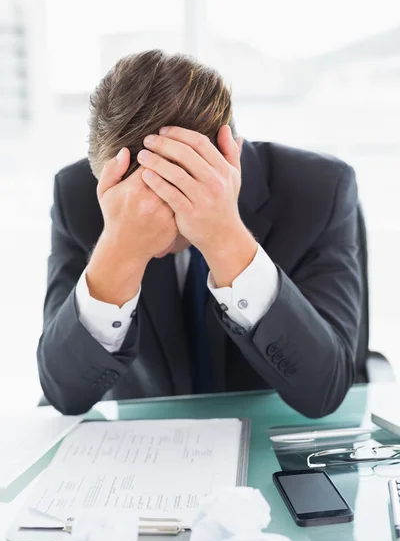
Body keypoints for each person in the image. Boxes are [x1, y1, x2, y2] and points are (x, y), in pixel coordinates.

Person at [37, 49, 361, 417]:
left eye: (175, 200)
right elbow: (63, 393)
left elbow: (325, 390)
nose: (154, 224)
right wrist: (118, 250)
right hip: (148, 444)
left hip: (278, 435)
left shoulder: (319, 190)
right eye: (141, 203)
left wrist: (225, 238)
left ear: (230, 156)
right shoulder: (78, 196)